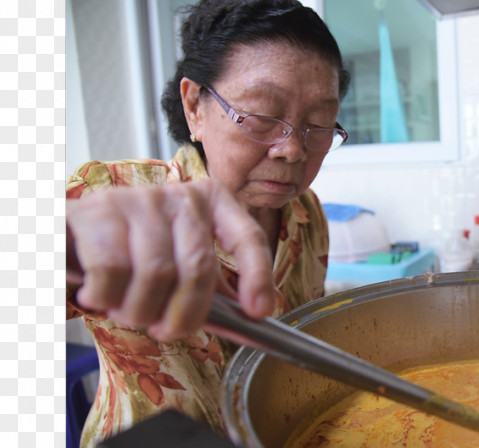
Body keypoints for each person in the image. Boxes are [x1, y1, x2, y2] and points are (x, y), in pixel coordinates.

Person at [65, 1, 351, 445]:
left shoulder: (307, 214)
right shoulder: (115, 192)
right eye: (261, 115)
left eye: (317, 125)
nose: (292, 150)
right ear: (195, 106)